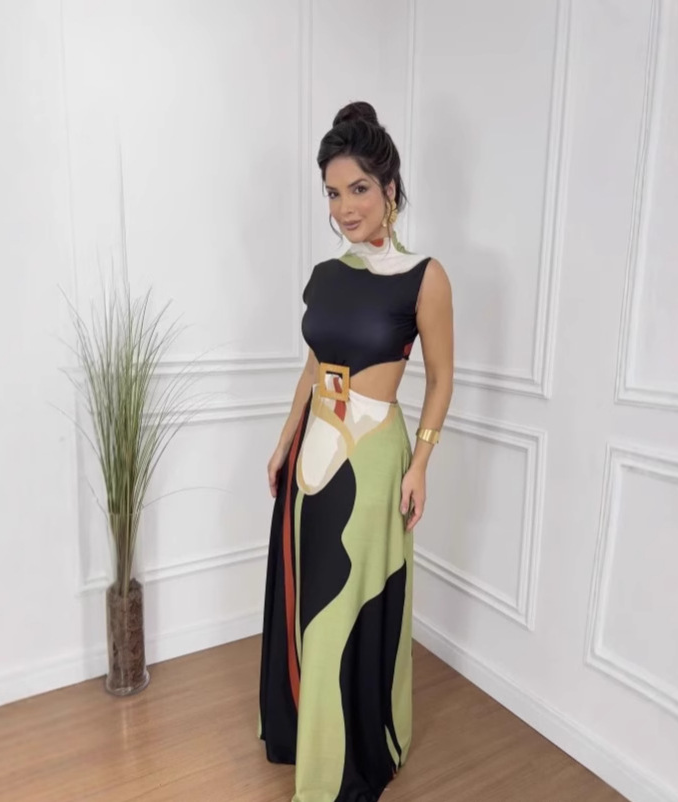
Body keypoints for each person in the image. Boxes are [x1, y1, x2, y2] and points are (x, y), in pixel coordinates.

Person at [257, 100, 454, 802]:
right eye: (333, 193)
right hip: (312, 457)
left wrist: (421, 463)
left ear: (390, 188)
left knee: (343, 610)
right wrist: (285, 440)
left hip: (373, 462)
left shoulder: (424, 277)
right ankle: (307, 739)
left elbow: (442, 379)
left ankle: (340, 770)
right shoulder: (325, 274)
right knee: (308, 607)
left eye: (359, 189)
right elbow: (315, 365)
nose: (345, 208)